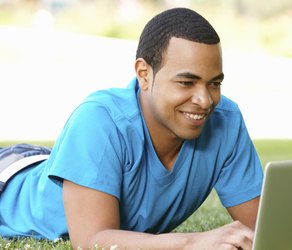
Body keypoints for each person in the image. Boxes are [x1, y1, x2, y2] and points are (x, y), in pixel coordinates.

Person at [0, 7, 263, 250]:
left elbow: (263, 230)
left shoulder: (225, 121)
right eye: (186, 82)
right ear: (144, 74)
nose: (205, 100)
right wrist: (194, 242)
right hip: (8, 177)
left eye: (214, 84)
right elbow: (92, 240)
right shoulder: (98, 119)